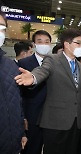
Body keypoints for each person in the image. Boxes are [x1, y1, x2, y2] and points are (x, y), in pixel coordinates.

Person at [15, 28, 81, 154]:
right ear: (66, 44)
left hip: (75, 122)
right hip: (55, 122)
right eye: (78, 43)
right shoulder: (52, 59)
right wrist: (33, 78)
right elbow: (43, 71)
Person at [18, 30, 52, 154]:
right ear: (34, 44)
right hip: (32, 117)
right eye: (40, 41)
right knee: (32, 149)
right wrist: (23, 117)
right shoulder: (24, 64)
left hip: (51, 117)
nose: (43, 44)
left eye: (47, 42)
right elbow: (20, 94)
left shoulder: (55, 63)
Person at [0, 11, 27, 154]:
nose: (0, 32)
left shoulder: (10, 66)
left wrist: (21, 132)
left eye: (3, 28)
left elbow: (16, 100)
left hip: (12, 144)